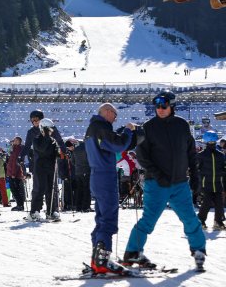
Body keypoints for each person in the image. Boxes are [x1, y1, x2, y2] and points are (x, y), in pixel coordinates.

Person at [123, 90, 206, 272]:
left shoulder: (182, 125)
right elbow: (142, 157)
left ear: (172, 106)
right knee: (148, 221)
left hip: (179, 184)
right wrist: (158, 175)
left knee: (190, 219)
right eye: (157, 106)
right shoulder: (148, 127)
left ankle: (199, 250)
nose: (160, 109)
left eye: (164, 105)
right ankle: (132, 252)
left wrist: (195, 176)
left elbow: (191, 153)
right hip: (156, 184)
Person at [84, 102, 137, 274]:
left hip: (96, 175)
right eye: (115, 114)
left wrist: (120, 133)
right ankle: (102, 260)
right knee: (108, 219)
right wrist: (128, 131)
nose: (115, 119)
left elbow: (110, 143)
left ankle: (97, 258)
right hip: (105, 176)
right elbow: (118, 145)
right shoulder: (100, 128)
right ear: (107, 112)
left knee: (101, 218)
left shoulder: (93, 128)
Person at [23, 109, 64, 215]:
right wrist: (21, 157)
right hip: (38, 162)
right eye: (32, 121)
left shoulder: (51, 129)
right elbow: (27, 146)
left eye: (36, 120)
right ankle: (35, 210)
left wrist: (65, 152)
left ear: (41, 119)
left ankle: (52, 209)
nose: (34, 122)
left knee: (52, 187)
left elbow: (59, 141)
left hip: (50, 162)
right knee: (39, 187)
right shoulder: (32, 132)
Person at [196, 130, 225, 230]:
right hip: (206, 183)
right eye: (210, 142)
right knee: (207, 203)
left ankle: (218, 222)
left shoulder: (220, 155)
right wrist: (199, 180)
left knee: (219, 204)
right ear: (206, 142)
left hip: (217, 183)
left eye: (213, 142)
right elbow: (196, 169)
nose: (211, 143)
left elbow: (223, 168)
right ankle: (200, 220)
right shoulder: (201, 155)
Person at [6, 136, 26, 211]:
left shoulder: (17, 149)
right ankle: (19, 204)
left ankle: (20, 205)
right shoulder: (13, 148)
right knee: (15, 189)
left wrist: (13, 173)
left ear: (19, 142)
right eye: (14, 140)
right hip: (12, 172)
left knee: (15, 189)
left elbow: (15, 162)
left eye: (16, 140)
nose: (14, 141)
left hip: (14, 173)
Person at [71, 137, 91, 212]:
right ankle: (85, 207)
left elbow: (72, 161)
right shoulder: (88, 149)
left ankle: (78, 206)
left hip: (78, 172)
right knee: (86, 189)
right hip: (86, 170)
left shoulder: (76, 149)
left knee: (79, 189)